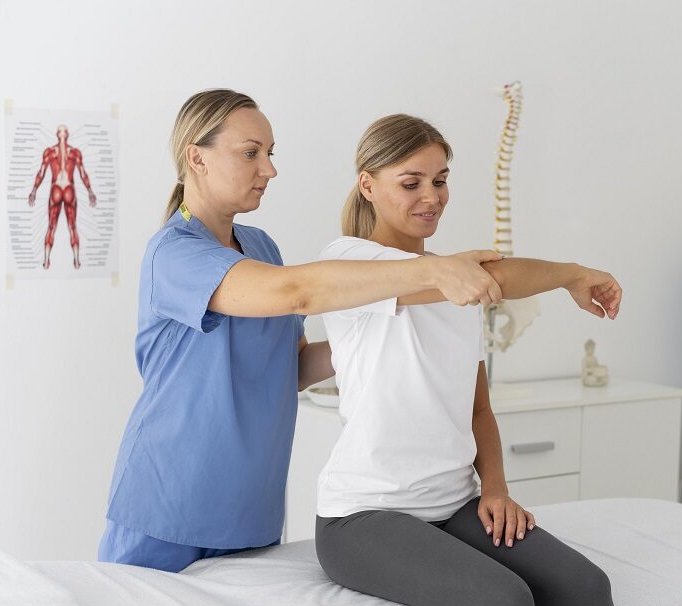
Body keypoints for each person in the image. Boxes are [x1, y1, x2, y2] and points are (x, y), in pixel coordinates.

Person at [98, 90, 506, 574]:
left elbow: (290, 367)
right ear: (196, 157)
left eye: (269, 154)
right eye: (251, 153)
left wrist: (377, 334)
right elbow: (297, 292)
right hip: (167, 504)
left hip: (250, 509)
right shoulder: (174, 253)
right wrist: (433, 272)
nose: (268, 170)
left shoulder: (260, 246)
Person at [314, 114, 629, 606]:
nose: (431, 197)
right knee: (503, 600)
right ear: (368, 185)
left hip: (453, 503)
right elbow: (483, 279)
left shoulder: (457, 282)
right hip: (364, 517)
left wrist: (498, 489)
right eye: (411, 183)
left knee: (586, 586)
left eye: (440, 180)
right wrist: (573, 274)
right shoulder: (353, 265)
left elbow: (476, 405)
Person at [27, 125, 97, 269]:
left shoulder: (50, 152)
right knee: (72, 227)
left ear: (57, 134)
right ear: (67, 134)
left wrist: (34, 190)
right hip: (69, 189)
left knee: (51, 226)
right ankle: (76, 260)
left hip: (56, 189)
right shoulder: (75, 153)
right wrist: (90, 191)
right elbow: (83, 173)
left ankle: (46, 260)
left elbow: (41, 172)